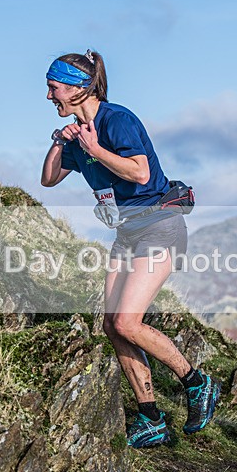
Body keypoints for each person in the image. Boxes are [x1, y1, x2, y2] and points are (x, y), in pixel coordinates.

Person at [41, 50, 219, 448]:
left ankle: (197, 383)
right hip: (126, 234)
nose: (49, 97)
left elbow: (139, 171)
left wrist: (94, 149)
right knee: (111, 325)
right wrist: (61, 140)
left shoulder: (117, 120)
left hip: (159, 227)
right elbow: (49, 179)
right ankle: (151, 416)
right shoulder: (76, 134)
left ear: (77, 87)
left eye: (54, 88)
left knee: (126, 322)